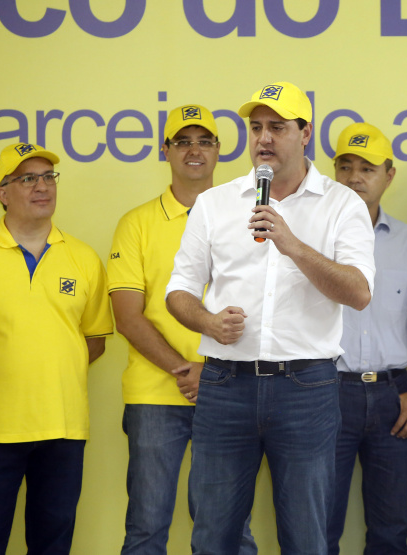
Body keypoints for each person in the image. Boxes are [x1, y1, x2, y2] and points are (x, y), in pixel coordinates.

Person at [165, 82, 376, 555]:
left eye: (276, 127)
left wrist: (292, 244)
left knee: (305, 536)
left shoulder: (343, 205)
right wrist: (207, 322)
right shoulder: (215, 203)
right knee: (213, 534)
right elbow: (178, 290)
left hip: (307, 389)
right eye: (256, 127)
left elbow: (359, 293)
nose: (263, 138)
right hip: (224, 386)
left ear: (305, 133)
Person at [0, 142, 113, 554]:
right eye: (27, 178)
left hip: (64, 429)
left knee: (52, 544)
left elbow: (96, 339)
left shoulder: (84, 259)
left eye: (49, 177)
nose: (42, 186)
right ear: (2, 192)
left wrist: (51, 374)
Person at [108, 105, 256, 554]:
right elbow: (128, 315)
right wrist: (183, 368)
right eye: (183, 142)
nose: (195, 151)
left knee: (228, 530)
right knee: (147, 526)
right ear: (165, 150)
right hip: (156, 396)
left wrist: (211, 373)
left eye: (205, 141)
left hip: (230, 390)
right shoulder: (136, 224)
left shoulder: (247, 215)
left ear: (218, 151)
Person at [327, 122, 407, 554]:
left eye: (367, 167)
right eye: (345, 166)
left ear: (389, 174)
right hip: (325, 392)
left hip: (393, 397)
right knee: (317, 528)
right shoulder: (310, 239)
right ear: (333, 172)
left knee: (390, 530)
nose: (355, 177)